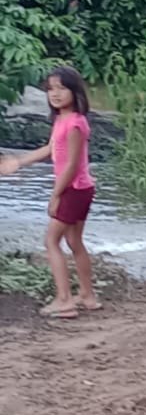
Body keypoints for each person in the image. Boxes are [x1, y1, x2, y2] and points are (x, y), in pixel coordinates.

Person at [0, 67, 99, 319]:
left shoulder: (75, 123)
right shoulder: (61, 120)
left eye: (61, 88)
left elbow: (72, 165)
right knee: (74, 241)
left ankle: (64, 301)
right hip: (80, 188)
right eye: (50, 89)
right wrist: (18, 161)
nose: (54, 94)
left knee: (51, 242)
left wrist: (55, 195)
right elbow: (50, 150)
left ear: (74, 92)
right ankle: (87, 296)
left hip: (73, 189)